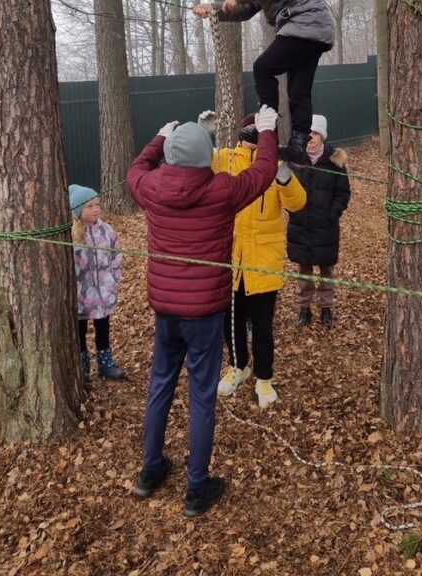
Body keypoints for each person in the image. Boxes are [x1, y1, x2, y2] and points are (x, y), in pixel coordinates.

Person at [127, 106, 278, 518]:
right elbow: (264, 172)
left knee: (160, 384)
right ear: (207, 158)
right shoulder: (222, 190)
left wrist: (162, 136)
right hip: (205, 313)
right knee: (201, 395)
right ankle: (196, 488)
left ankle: (150, 471)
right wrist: (267, 132)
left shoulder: (151, 186)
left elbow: (136, 168)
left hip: (166, 310)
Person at [192, 0, 335, 165]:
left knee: (263, 67)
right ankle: (299, 143)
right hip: (315, 28)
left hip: (305, 23)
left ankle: (265, 126)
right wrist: (215, 9)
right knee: (298, 89)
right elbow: (248, 7)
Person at [214, 113, 307, 409]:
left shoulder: (273, 165)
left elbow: (298, 203)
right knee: (231, 320)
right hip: (231, 259)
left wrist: (284, 176)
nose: (253, 142)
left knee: (263, 325)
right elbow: (197, 163)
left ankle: (264, 377)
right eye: (249, 133)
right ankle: (239, 366)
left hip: (263, 260)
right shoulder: (226, 159)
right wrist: (205, 135)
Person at [287, 115, 351, 327]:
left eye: (314, 133)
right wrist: (293, 209)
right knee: (303, 272)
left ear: (322, 136)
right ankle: (304, 309)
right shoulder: (295, 159)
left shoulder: (335, 162)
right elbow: (284, 188)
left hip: (326, 226)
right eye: (308, 133)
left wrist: (332, 214)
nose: (310, 137)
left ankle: (326, 309)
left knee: (326, 271)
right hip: (301, 224)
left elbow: (343, 192)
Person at [69, 185, 125, 383]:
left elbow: (116, 255)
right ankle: (82, 364)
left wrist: (113, 279)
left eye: (97, 204)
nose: (96, 209)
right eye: (89, 206)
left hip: (103, 292)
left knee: (103, 326)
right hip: (81, 295)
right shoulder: (72, 235)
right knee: (80, 329)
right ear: (77, 211)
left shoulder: (106, 231)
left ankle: (105, 363)